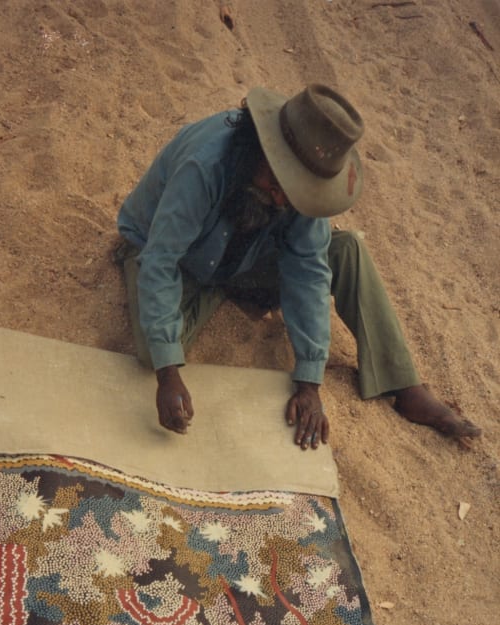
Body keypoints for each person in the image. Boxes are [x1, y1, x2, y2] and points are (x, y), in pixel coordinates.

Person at [116, 84, 480, 448]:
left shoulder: (298, 193)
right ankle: (216, 291)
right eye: (276, 183)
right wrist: (168, 375)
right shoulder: (205, 165)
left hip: (242, 257)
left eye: (293, 192)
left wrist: (309, 383)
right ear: (260, 147)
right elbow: (160, 261)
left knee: (346, 250)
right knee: (157, 351)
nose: (280, 198)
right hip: (171, 253)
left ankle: (403, 382)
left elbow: (308, 270)